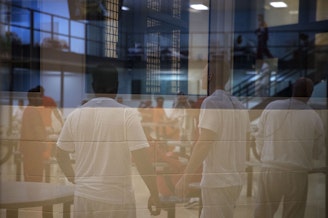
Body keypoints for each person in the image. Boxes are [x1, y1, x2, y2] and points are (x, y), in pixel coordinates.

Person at [56, 64, 161, 218]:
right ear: (117, 86)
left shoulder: (75, 115)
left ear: (92, 86)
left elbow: (60, 154)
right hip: (116, 200)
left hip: (83, 198)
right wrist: (154, 193)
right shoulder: (127, 115)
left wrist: (74, 179)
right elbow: (142, 160)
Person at [175, 57, 250, 218]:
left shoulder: (211, 103)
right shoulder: (239, 105)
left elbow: (204, 143)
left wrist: (186, 177)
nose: (200, 76)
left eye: (203, 72)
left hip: (218, 181)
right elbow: (246, 143)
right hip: (235, 179)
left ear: (209, 76)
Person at [254, 77, 325, 218]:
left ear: (292, 89)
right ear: (310, 94)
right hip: (297, 173)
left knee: (263, 213)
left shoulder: (272, 107)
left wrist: (264, 155)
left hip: (271, 169)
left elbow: (259, 136)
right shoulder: (313, 116)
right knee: (293, 215)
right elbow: (317, 151)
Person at [20, 87, 48, 182]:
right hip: (34, 150)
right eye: (39, 96)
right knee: (35, 178)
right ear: (32, 98)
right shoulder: (32, 111)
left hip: (29, 150)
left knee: (30, 178)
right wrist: (45, 143)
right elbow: (37, 130)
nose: (41, 99)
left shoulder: (28, 110)